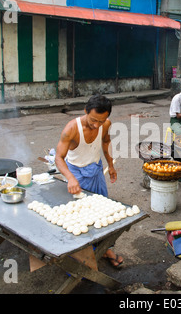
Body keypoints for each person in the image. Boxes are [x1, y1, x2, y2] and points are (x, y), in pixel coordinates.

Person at [55, 94, 122, 267]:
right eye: (93, 120)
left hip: (96, 170)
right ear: (85, 111)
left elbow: (105, 142)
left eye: (101, 121)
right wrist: (70, 178)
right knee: (80, 218)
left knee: (103, 212)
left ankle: (105, 248)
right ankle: (80, 256)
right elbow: (59, 158)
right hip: (76, 174)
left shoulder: (105, 124)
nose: (97, 125)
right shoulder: (71, 128)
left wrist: (110, 165)